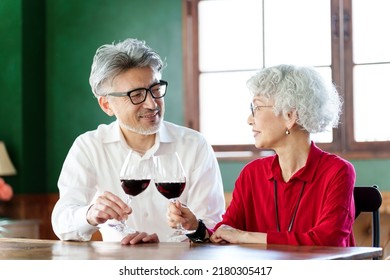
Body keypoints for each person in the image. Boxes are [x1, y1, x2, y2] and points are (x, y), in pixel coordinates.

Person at [51, 38, 225, 244]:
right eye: (137, 95)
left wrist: (184, 235)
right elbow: (62, 223)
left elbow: (212, 225)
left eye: (156, 89)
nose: (152, 104)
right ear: (106, 105)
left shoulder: (195, 145)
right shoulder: (89, 146)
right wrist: (90, 214)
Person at [168, 64, 356, 246]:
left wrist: (245, 236)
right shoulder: (253, 174)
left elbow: (328, 240)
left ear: (290, 116)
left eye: (256, 108)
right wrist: (195, 227)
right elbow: (223, 233)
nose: (249, 119)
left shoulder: (338, 171)